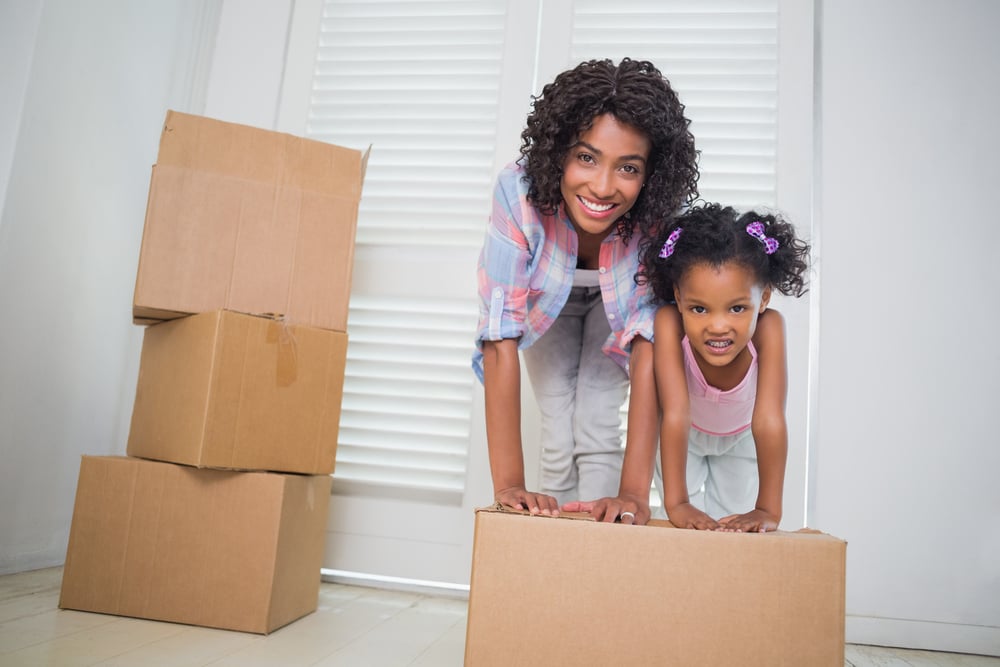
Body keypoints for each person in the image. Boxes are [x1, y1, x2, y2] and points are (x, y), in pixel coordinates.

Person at [472, 58, 699, 515]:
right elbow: (500, 333)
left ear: (650, 173)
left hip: (616, 307)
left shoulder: (656, 219)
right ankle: (554, 553)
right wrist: (510, 486)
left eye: (628, 168)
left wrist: (633, 494)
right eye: (586, 157)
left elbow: (648, 343)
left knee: (596, 420)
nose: (602, 186)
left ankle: (599, 555)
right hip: (543, 305)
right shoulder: (517, 194)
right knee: (557, 426)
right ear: (559, 151)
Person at [569, 202, 810, 531]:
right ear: (679, 298)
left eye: (737, 308)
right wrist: (677, 503)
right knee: (688, 527)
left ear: (764, 298)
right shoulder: (668, 322)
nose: (718, 326)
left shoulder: (770, 329)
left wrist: (768, 509)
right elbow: (676, 412)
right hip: (685, 438)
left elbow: (768, 420)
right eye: (699, 309)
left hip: (740, 440)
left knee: (734, 527)